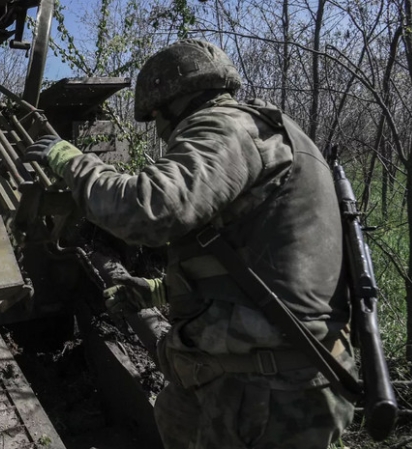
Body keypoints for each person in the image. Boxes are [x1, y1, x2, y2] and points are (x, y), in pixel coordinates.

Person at [24, 39, 357, 448]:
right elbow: (268, 260)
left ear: (171, 105)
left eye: (157, 120)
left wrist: (71, 161)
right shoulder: (273, 133)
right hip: (257, 379)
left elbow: (150, 209)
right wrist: (159, 290)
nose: (163, 134)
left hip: (267, 395)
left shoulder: (226, 126)